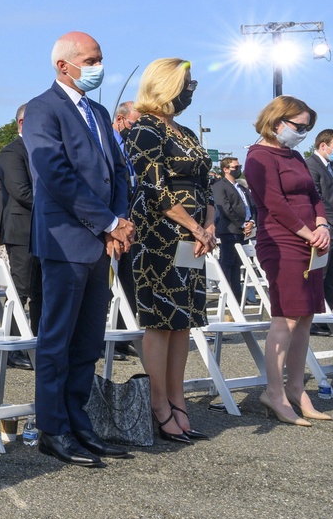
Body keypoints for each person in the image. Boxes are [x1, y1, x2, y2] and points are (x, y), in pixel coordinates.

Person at [25, 31, 134, 467]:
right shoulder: (42, 109)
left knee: (88, 339)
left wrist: (120, 220)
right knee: (58, 339)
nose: (98, 67)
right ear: (63, 65)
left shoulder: (99, 111)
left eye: (100, 59)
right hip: (66, 241)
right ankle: (53, 428)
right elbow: (55, 173)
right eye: (91, 60)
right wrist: (107, 221)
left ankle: (78, 419)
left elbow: (119, 170)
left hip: (102, 242)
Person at [127, 58, 216, 444]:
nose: (190, 90)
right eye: (186, 84)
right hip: (158, 235)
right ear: (165, 85)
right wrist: (195, 225)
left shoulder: (184, 132)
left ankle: (179, 403)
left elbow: (206, 185)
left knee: (182, 322)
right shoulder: (143, 128)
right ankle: (159, 405)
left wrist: (208, 226)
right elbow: (154, 189)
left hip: (194, 238)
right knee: (160, 321)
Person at [244, 96, 331, 425]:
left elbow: (314, 195)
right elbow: (274, 203)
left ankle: (296, 388)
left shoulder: (294, 155)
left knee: (306, 316)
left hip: (311, 240)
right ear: (277, 121)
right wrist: (309, 233)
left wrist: (321, 224)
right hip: (281, 241)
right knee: (286, 318)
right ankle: (274, 392)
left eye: (308, 127)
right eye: (299, 126)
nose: (303, 132)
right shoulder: (258, 156)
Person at [0, 103, 37, 369]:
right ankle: (13, 347)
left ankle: (36, 341)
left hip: (43, 230)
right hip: (22, 230)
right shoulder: (12, 152)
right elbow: (22, 192)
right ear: (22, 124)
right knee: (21, 288)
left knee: (41, 289)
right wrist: (60, 205)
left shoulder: (43, 151)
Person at [110, 100, 142, 359]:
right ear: (120, 120)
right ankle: (105, 340)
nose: (136, 129)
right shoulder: (107, 144)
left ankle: (123, 337)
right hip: (112, 223)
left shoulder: (131, 146)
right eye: (133, 123)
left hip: (131, 221)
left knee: (128, 282)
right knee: (108, 283)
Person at [305, 129, 333, 318]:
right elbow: (316, 197)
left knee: (332, 277)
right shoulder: (311, 166)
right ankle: (317, 317)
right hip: (323, 228)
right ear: (323, 145)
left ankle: (326, 317)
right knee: (319, 276)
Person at [211, 156, 255, 304]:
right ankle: (227, 298)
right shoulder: (219, 186)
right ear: (225, 169)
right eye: (235, 167)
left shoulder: (241, 187)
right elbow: (225, 209)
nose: (238, 169)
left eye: (239, 166)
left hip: (244, 231)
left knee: (238, 265)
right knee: (228, 263)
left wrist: (251, 222)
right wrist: (242, 224)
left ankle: (236, 299)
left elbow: (251, 206)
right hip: (229, 231)